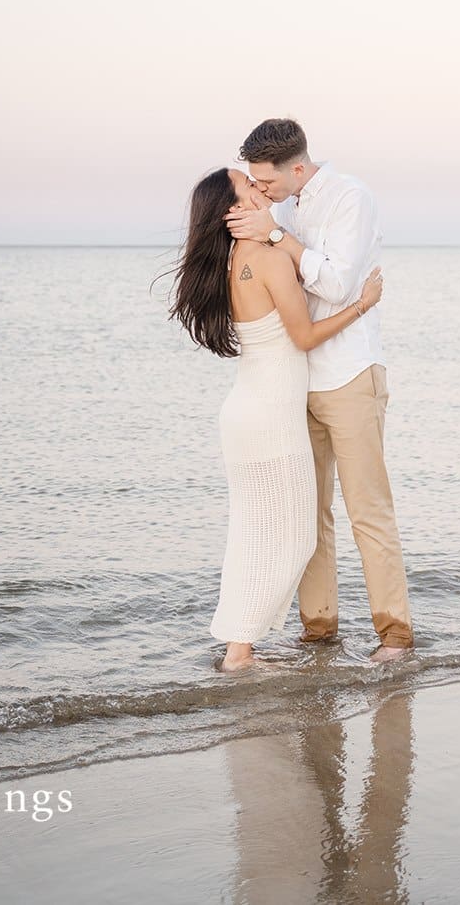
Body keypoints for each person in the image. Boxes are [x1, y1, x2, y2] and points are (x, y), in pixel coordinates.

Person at [167, 167, 384, 672]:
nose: (262, 192)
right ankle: (239, 652)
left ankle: (239, 647)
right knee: (294, 537)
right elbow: (304, 337)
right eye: (250, 187)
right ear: (235, 210)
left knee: (255, 533)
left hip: (249, 411)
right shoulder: (263, 258)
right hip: (267, 416)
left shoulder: (232, 261)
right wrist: (362, 305)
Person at [223, 119, 415, 664]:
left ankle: (395, 637)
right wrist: (265, 231)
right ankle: (319, 631)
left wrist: (278, 236)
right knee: (309, 514)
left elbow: (334, 283)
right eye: (255, 183)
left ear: (298, 168)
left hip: (350, 375)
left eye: (267, 181)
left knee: (367, 510)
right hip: (296, 381)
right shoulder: (280, 206)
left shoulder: (351, 198)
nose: (261, 191)